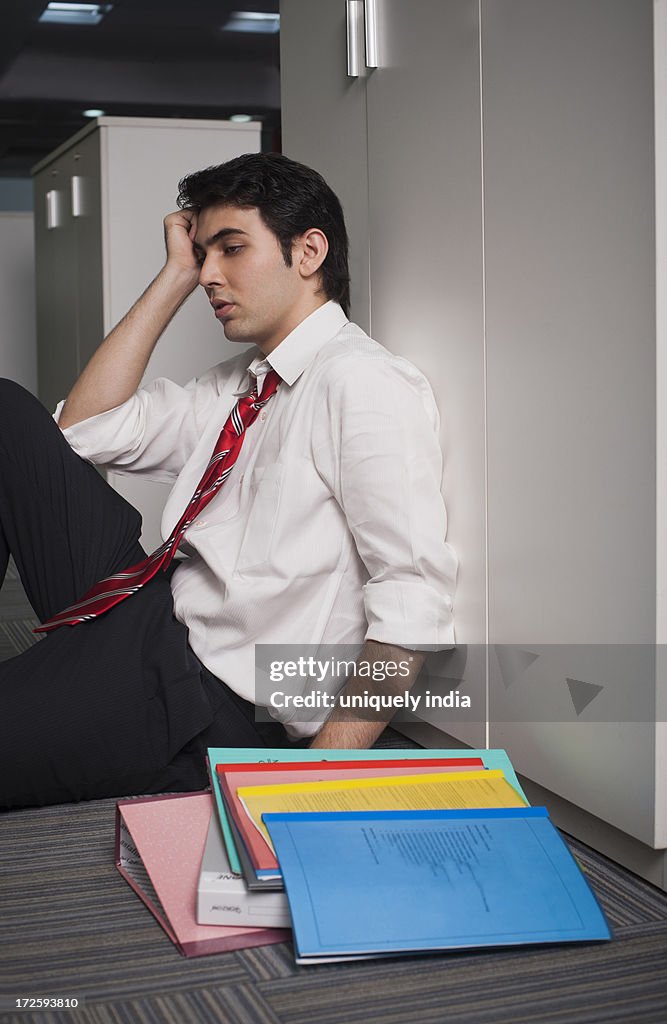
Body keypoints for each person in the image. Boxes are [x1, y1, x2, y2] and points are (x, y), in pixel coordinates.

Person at [0, 153, 457, 809]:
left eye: (230, 249)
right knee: (10, 415)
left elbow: (412, 594)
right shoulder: (241, 381)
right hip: (149, 612)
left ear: (308, 252)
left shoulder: (361, 384)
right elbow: (82, 431)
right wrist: (173, 276)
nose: (210, 275)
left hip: (203, 695)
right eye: (202, 253)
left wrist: (315, 784)